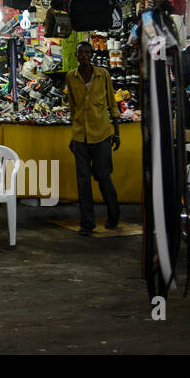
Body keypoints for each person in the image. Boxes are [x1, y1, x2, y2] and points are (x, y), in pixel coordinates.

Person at [65, 40, 120, 236]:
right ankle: (87, 223)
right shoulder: (71, 77)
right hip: (80, 135)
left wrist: (117, 132)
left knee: (103, 176)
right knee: (83, 181)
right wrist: (74, 134)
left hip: (102, 133)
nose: (84, 56)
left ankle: (113, 215)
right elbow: (73, 107)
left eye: (87, 52)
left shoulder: (102, 74)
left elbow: (112, 103)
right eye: (81, 53)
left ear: (92, 54)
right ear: (77, 56)